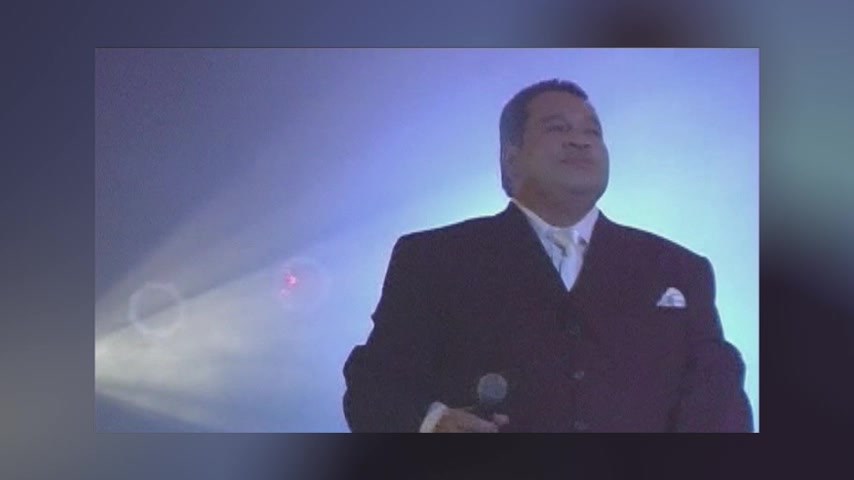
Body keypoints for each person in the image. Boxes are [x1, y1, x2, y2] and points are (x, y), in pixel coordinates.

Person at [342, 79, 753, 432]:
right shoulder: (435, 259)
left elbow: (719, 398)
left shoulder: (678, 269)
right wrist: (432, 422)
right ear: (510, 157)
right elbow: (376, 384)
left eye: (593, 131)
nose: (580, 140)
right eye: (558, 128)